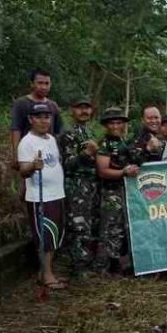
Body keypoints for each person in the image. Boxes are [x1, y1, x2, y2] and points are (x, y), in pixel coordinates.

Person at [17, 103, 66, 289]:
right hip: (40, 198)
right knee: (44, 236)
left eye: (47, 116)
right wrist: (32, 166)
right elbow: (23, 171)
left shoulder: (51, 139)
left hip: (56, 195)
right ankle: (46, 276)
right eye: (39, 116)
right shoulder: (27, 142)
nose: (44, 120)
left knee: (54, 234)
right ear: (31, 119)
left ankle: (46, 272)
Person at [58, 96, 100, 274]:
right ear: (72, 111)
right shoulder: (68, 134)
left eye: (87, 108)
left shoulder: (91, 133)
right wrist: (86, 153)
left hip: (92, 185)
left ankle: (87, 262)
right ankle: (78, 266)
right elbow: (68, 164)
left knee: (90, 223)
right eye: (79, 108)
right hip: (76, 185)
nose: (84, 111)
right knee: (78, 225)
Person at [96, 107, 141, 274]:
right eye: (112, 123)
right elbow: (103, 171)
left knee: (126, 227)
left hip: (129, 192)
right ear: (106, 125)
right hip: (111, 193)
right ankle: (104, 267)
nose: (115, 126)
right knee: (110, 228)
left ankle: (121, 264)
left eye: (119, 122)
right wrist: (123, 172)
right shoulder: (105, 144)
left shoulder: (127, 142)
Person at [11, 69, 64, 169]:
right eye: (40, 83)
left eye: (47, 83)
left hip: (49, 156)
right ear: (32, 84)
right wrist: (15, 154)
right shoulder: (21, 103)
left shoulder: (52, 106)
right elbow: (16, 129)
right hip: (28, 153)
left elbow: (59, 131)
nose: (44, 87)